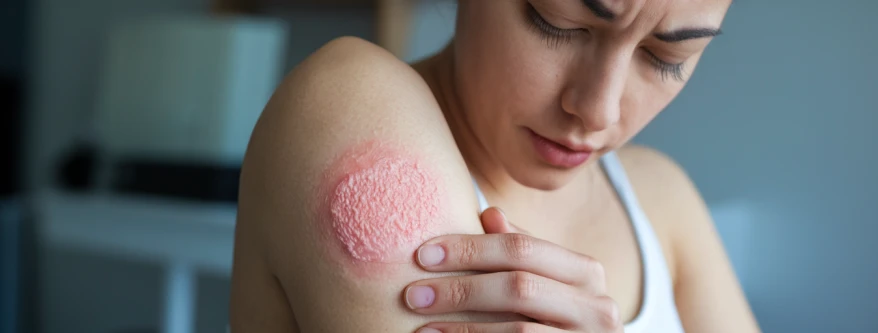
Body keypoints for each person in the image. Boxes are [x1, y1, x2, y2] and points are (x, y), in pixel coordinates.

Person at [229, 0, 759, 332]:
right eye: (559, 22)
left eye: (666, 58)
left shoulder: (662, 198)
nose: (599, 110)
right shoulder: (349, 108)